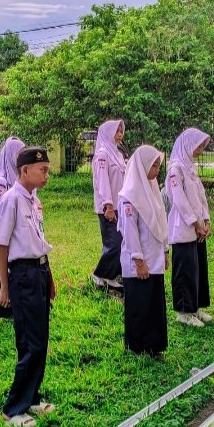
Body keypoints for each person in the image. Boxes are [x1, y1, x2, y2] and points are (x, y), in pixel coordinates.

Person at [0, 147, 57, 427]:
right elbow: (1, 245)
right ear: (24, 170)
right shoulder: (11, 200)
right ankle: (13, 409)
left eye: (48, 170)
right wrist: (4, 286)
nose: (47, 175)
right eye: (43, 170)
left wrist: (48, 277)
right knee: (31, 343)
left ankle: (32, 397)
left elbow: (38, 240)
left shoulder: (34, 199)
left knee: (40, 339)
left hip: (39, 271)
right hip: (23, 274)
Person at [117, 145, 169, 357]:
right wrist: (138, 260)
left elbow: (161, 222)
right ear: (142, 165)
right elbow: (130, 232)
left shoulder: (153, 189)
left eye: (158, 166)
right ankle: (138, 347)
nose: (157, 170)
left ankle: (154, 345)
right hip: (138, 259)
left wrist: (165, 250)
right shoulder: (129, 196)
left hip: (154, 256)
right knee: (140, 303)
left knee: (154, 303)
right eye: (153, 166)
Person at [165, 128, 213, 328]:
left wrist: (207, 220)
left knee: (198, 268)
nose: (201, 150)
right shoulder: (175, 169)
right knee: (184, 270)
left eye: (202, 147)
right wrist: (195, 223)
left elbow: (201, 196)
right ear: (188, 144)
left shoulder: (190, 168)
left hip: (198, 228)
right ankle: (184, 312)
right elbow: (180, 200)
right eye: (198, 146)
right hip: (183, 228)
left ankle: (196, 307)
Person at [91, 119, 126, 297]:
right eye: (116, 131)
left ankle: (111, 276)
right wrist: (108, 205)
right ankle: (99, 274)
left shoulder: (118, 154)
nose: (120, 134)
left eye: (121, 131)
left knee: (122, 242)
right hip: (108, 207)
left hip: (121, 206)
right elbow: (102, 182)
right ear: (107, 133)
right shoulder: (102, 155)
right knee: (114, 244)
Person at [0, 136, 25, 318]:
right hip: (4, 228)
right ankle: (4, 307)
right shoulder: (2, 181)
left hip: (16, 228)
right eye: (18, 153)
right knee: (4, 266)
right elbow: (0, 209)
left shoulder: (19, 178)